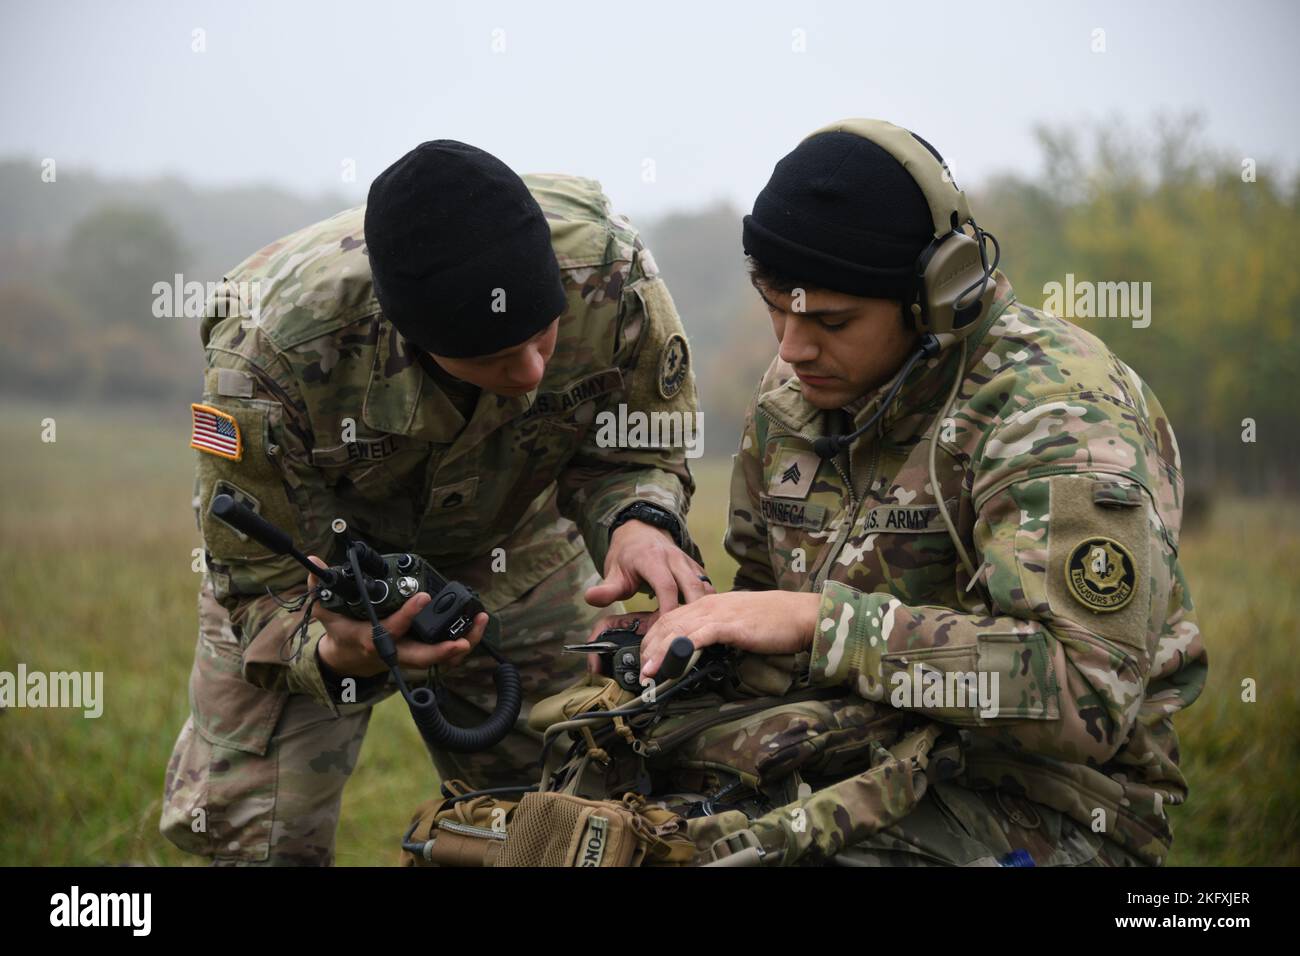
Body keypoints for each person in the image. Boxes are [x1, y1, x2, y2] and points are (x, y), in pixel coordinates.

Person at [623, 119, 1207, 866]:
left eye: (832, 320)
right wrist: (680, 649)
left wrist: (822, 624)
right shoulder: (792, 398)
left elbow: (1080, 698)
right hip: (842, 753)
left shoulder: (1055, 413)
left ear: (938, 295)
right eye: (775, 305)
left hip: (1046, 798)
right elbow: (764, 603)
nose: (792, 347)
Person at [160, 140, 710, 865]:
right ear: (408, 335)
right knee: (252, 834)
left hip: (516, 543)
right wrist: (330, 651)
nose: (530, 374)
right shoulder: (268, 356)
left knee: (563, 814)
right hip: (318, 579)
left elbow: (635, 448)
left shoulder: (610, 274)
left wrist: (639, 520)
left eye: (543, 337)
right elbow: (259, 580)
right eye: (490, 360)